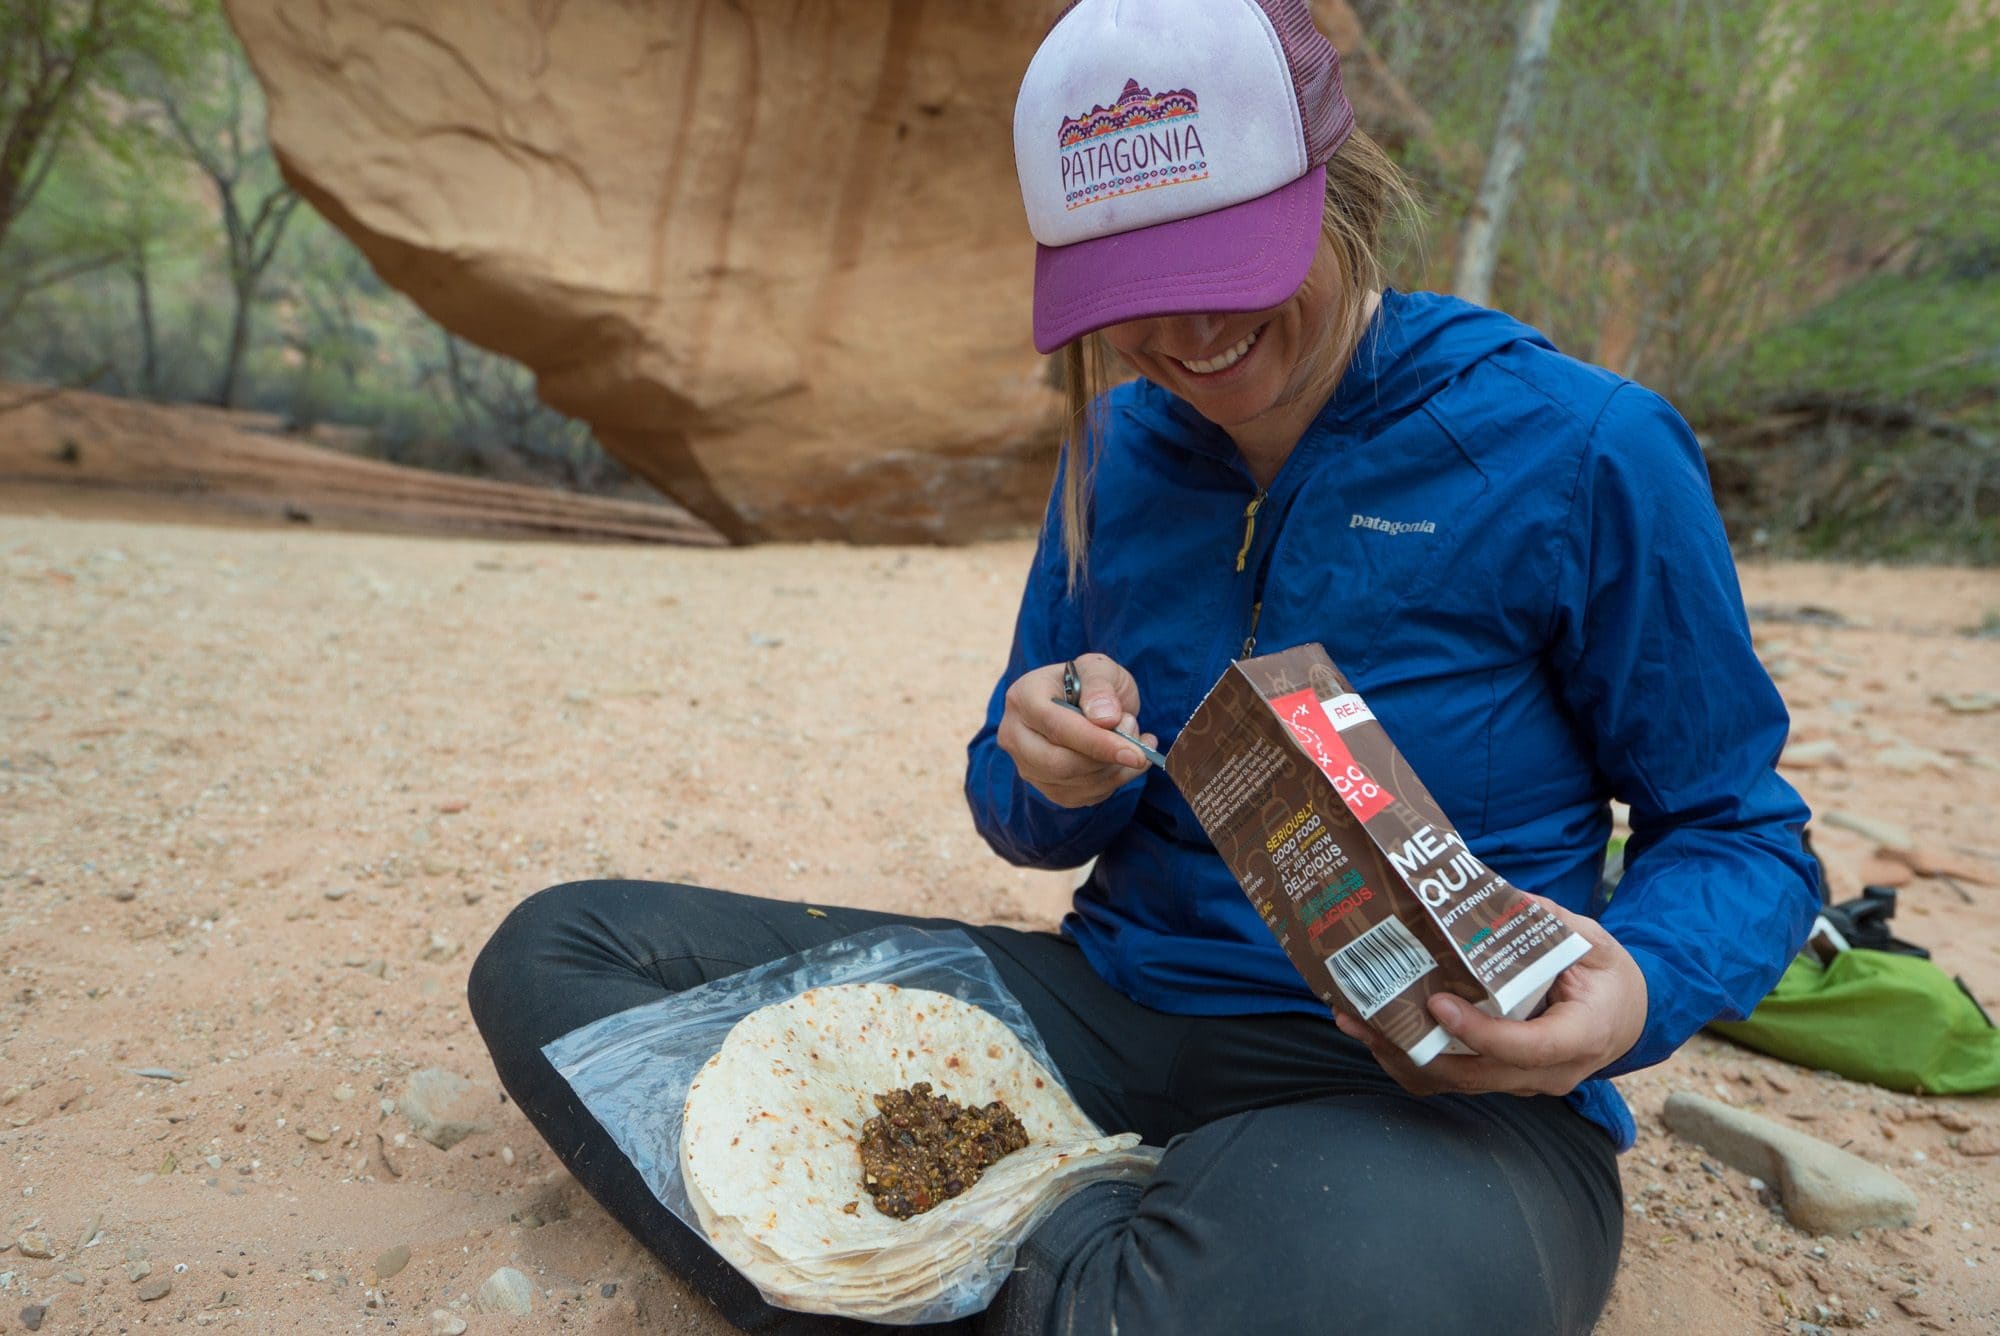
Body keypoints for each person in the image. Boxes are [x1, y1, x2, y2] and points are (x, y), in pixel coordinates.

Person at [468, 1, 1821, 1332]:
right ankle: (1082, 1262)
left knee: (1359, 1286)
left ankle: (962, 1262)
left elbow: (1741, 832)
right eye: (1126, 293)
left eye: (1224, 266)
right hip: (1109, 1018)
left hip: (1422, 1087)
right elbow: (1021, 819)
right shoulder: (1116, 450)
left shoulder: (1582, 450)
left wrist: (1635, 986)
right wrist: (1048, 762)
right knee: (568, 961)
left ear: (1335, 183)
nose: (1180, 338)